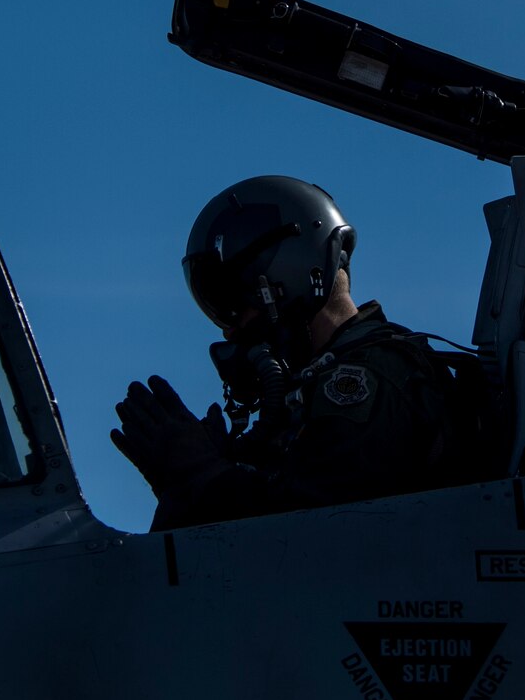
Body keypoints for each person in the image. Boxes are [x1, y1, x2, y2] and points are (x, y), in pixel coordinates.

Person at [111, 176, 482, 531]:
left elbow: (313, 532)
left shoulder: (367, 380)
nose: (229, 329)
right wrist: (186, 484)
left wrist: (204, 475)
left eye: (231, 303)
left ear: (288, 274)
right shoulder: (314, 390)